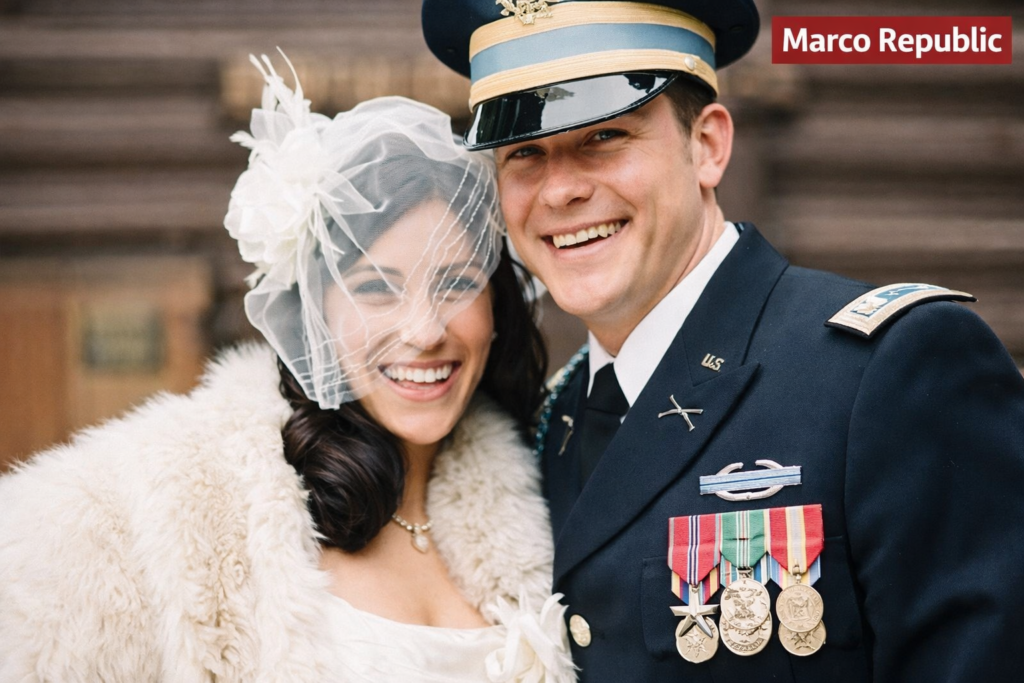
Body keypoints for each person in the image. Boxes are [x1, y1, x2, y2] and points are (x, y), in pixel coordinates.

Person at [421, 1, 1024, 681]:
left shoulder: (894, 368)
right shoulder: (547, 421)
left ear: (707, 145)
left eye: (604, 138)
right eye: (525, 152)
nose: (559, 189)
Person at [0, 55, 576, 683]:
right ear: (315, 310)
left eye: (456, 284)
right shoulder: (154, 509)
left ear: (496, 305)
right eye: (377, 288)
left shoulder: (549, 493)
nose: (424, 331)